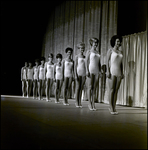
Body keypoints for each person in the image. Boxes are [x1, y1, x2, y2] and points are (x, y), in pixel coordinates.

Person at [106, 35, 124, 115]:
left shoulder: (120, 52)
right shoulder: (110, 50)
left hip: (119, 72)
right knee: (112, 89)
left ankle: (114, 106)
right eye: (117, 41)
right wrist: (107, 71)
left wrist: (122, 72)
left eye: (119, 41)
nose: (118, 43)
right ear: (114, 42)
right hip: (112, 71)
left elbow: (121, 64)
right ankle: (110, 107)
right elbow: (107, 61)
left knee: (116, 91)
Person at [85, 37, 102, 111]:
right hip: (90, 69)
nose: (96, 44)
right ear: (91, 43)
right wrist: (86, 71)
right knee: (90, 87)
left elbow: (99, 62)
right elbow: (86, 61)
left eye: (97, 42)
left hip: (97, 70)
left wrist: (100, 70)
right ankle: (89, 104)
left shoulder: (98, 52)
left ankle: (93, 103)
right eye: (94, 42)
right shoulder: (88, 51)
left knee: (94, 88)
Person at [74, 42, 86, 108]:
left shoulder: (85, 57)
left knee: (81, 88)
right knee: (78, 87)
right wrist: (75, 75)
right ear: (79, 49)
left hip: (83, 73)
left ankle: (79, 102)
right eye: (81, 48)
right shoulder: (76, 56)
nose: (82, 49)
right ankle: (76, 102)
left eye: (83, 48)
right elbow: (75, 66)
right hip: (78, 73)